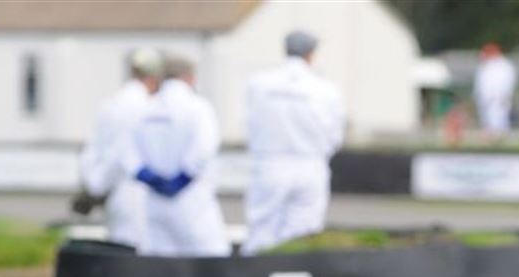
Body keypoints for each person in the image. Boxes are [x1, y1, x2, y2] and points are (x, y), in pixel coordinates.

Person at [241, 30, 345, 255]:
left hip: (269, 163)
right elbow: (335, 134)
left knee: (261, 230)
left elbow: (250, 123)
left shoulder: (258, 83)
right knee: (303, 234)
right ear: (310, 53)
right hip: (310, 164)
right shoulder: (325, 89)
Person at [125, 54, 230, 257]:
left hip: (154, 199)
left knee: (160, 262)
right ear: (190, 78)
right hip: (192, 198)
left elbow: (127, 153)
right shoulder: (198, 107)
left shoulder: (145, 108)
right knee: (208, 258)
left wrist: (150, 178)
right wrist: (180, 181)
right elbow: (204, 149)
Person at [76, 48, 162, 248]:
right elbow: (124, 155)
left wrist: (95, 187)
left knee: (119, 251)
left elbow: (92, 153)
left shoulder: (110, 104)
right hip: (139, 194)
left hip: (114, 195)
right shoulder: (148, 108)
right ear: (154, 78)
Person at [474, 43, 516, 137]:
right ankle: (490, 136)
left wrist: (505, 94)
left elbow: (508, 82)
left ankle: (500, 136)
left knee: (499, 116)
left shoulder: (504, 65)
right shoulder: (484, 66)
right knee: (487, 119)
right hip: (485, 98)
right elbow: (480, 83)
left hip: (499, 97)